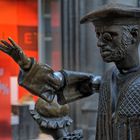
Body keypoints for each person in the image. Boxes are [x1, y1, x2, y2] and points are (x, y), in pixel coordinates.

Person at [0, 3, 140, 140]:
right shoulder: (107, 79)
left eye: (109, 37)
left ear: (134, 35)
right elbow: (58, 83)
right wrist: (27, 64)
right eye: (98, 36)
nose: (99, 43)